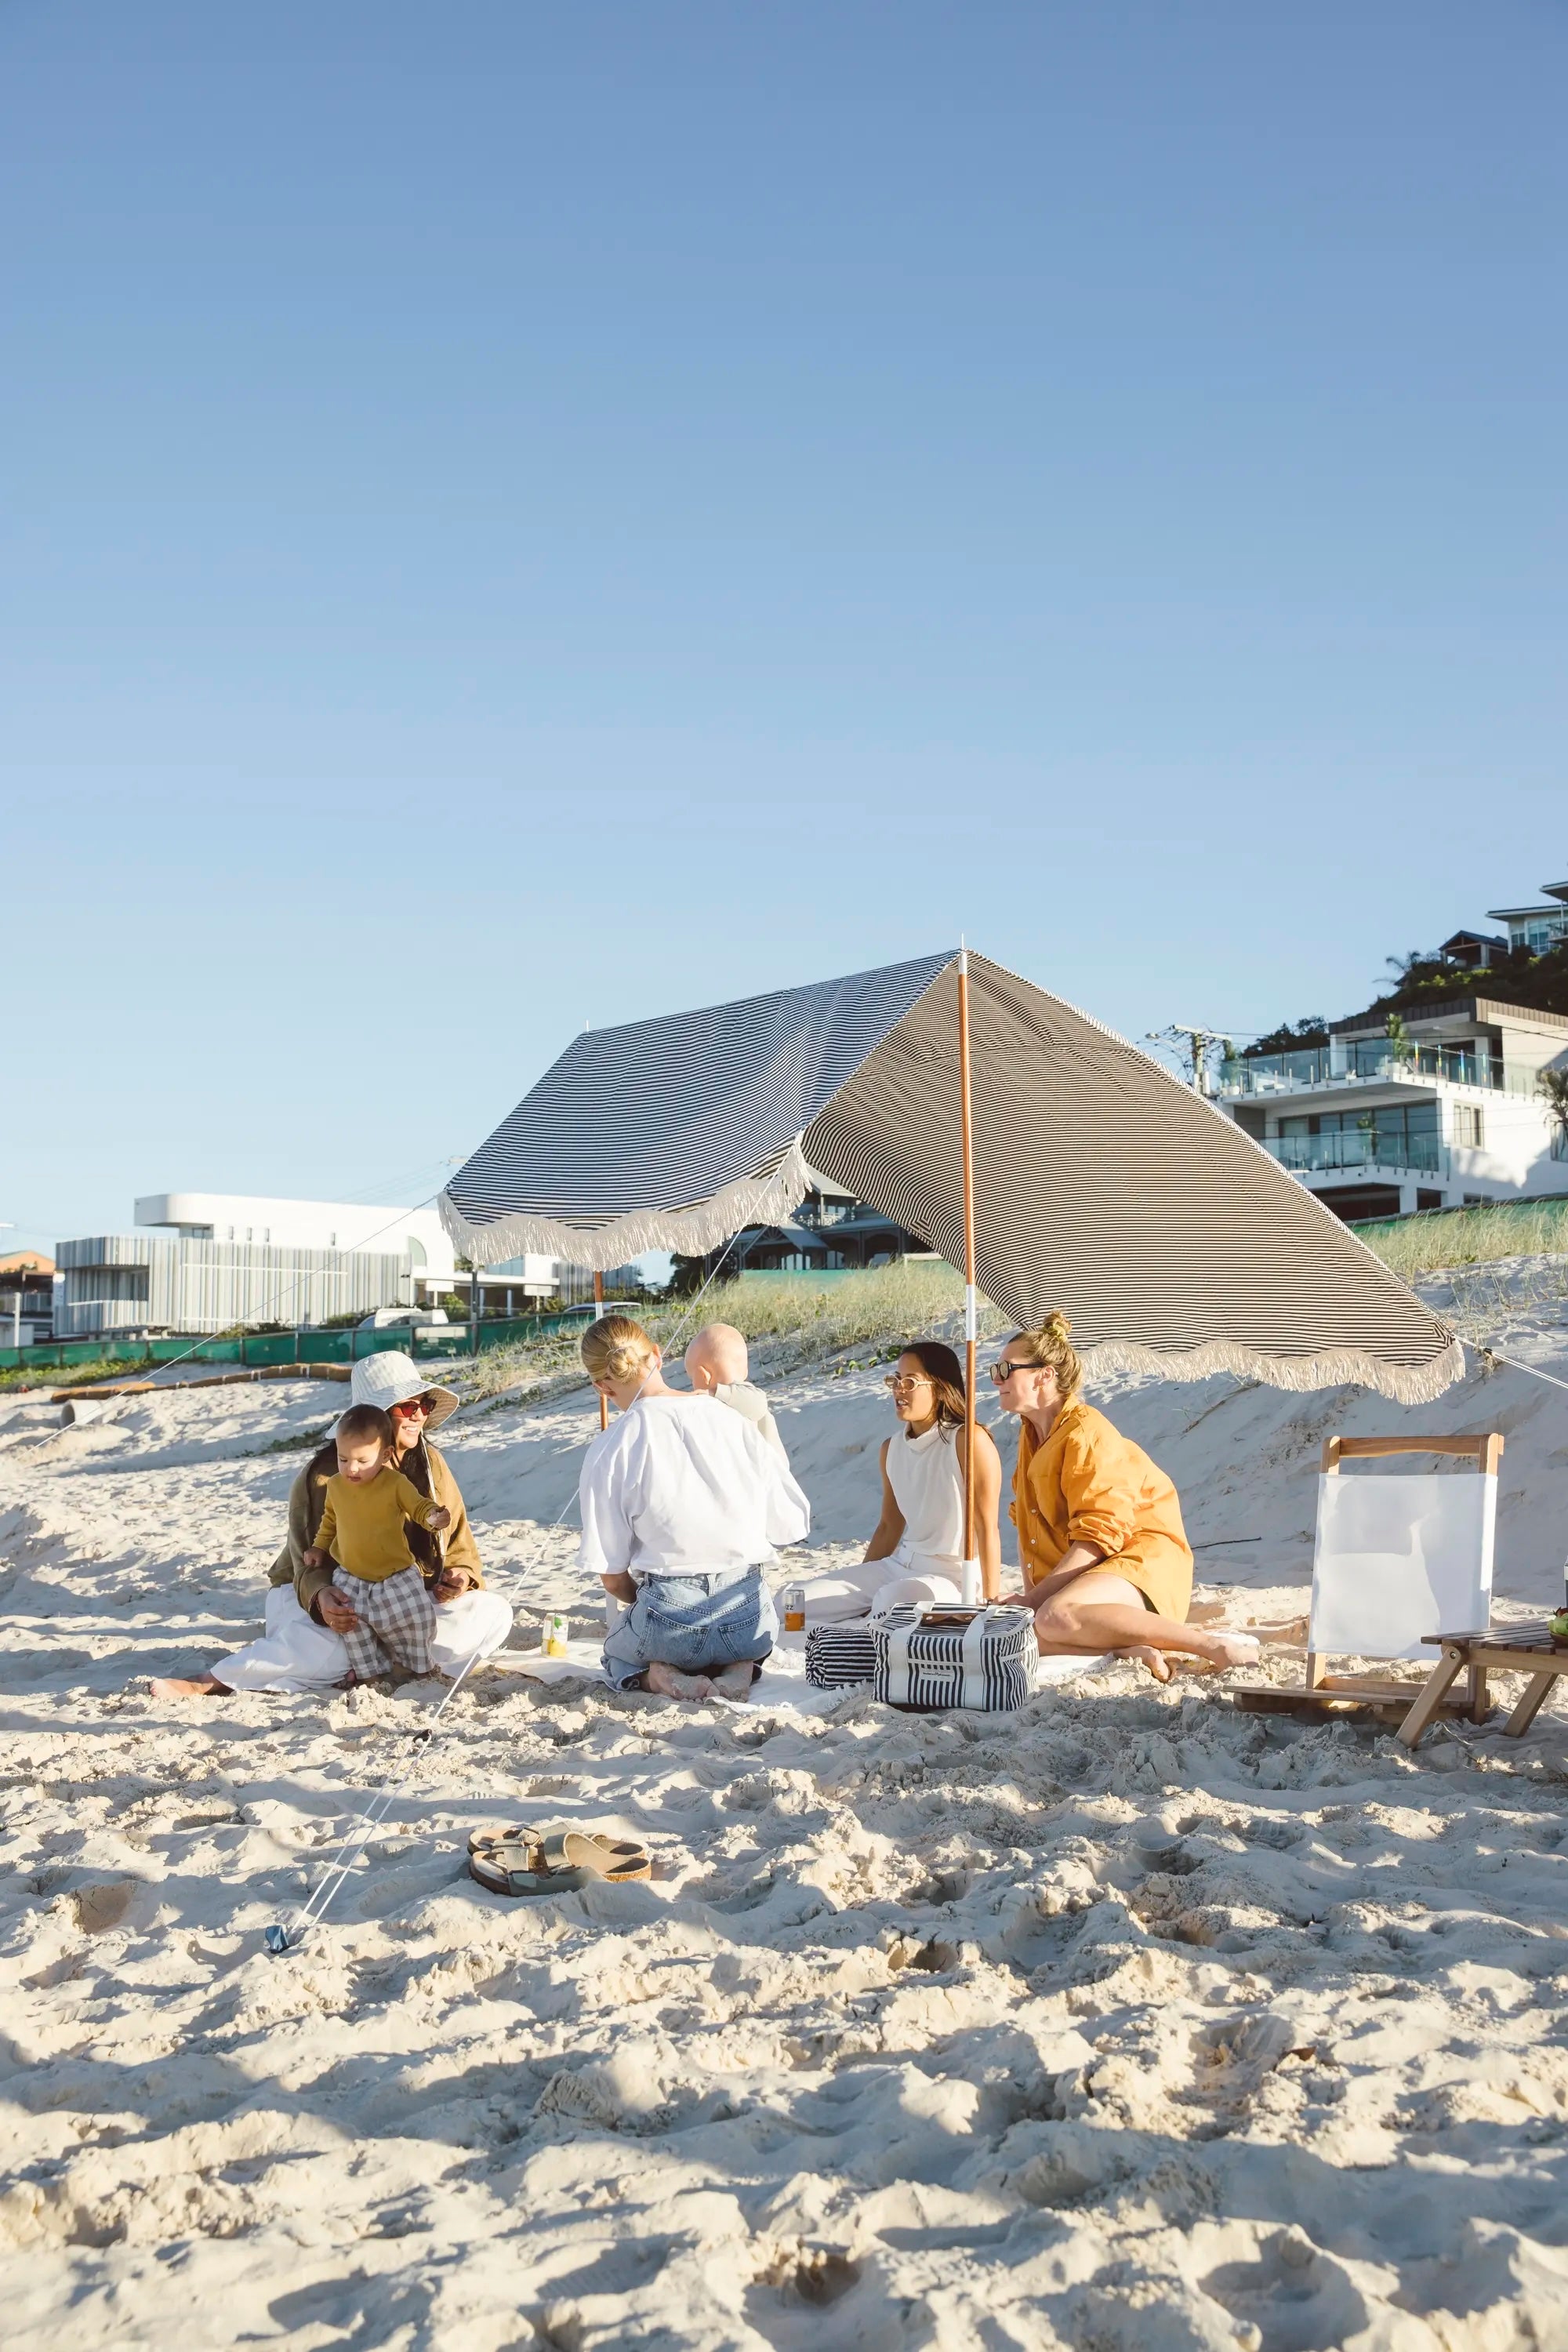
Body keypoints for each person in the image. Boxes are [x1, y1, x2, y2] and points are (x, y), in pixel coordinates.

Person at [150, 1352, 513, 1697]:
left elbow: (458, 1541)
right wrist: (324, 1598)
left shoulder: (430, 1464)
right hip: (323, 1593)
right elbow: (306, 1558)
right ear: (380, 1417)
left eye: (425, 1406)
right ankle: (209, 1682)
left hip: (401, 1594)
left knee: (492, 1612)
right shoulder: (328, 1475)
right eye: (408, 1407)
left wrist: (460, 1576)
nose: (419, 1416)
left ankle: (384, 1660)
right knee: (329, 1651)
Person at [993, 1312, 1258, 1680]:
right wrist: (1027, 1603)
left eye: (1006, 1370)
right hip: (1090, 1578)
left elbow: (1099, 1538)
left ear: (1045, 1375)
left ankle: (1211, 1645)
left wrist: (1036, 1602)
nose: (996, 1379)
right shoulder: (1032, 1434)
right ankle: (1126, 1646)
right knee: (1017, 1633)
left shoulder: (1085, 1433)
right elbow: (1028, 1529)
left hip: (1138, 1559)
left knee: (1054, 1616)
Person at [579, 1313, 810, 1702]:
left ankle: (659, 1677)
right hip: (748, 1613)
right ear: (657, 1354)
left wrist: (652, 1606)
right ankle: (740, 1668)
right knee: (741, 1642)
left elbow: (612, 1577)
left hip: (671, 1617)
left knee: (616, 1654)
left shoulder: (611, 1446)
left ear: (601, 1386)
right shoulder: (733, 1419)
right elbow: (791, 1523)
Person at [800, 1340, 1002, 1624]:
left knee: (891, 1602)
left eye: (910, 1382)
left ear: (941, 1388)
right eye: (895, 1380)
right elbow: (888, 1527)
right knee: (793, 1599)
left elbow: (986, 1525)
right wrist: (860, 1588)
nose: (898, 1389)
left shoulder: (969, 1440)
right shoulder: (890, 1448)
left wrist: (991, 1600)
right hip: (899, 1565)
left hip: (953, 1576)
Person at [299, 1402, 451, 1679]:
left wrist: (433, 1517)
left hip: (396, 1573)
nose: (351, 1469)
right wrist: (319, 1547)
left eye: (362, 1461)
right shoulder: (335, 1485)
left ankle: (419, 1667)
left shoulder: (395, 1483)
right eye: (344, 1460)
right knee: (353, 1626)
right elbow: (330, 1521)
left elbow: (418, 1507)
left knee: (417, 1619)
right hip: (351, 1575)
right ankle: (372, 1674)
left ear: (385, 1455)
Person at [683, 1322, 787, 1458]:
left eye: (692, 1378)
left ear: (704, 1376)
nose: (692, 1384)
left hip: (773, 1475)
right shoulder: (725, 1401)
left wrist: (714, 1392)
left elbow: (759, 1404)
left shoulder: (745, 1393)